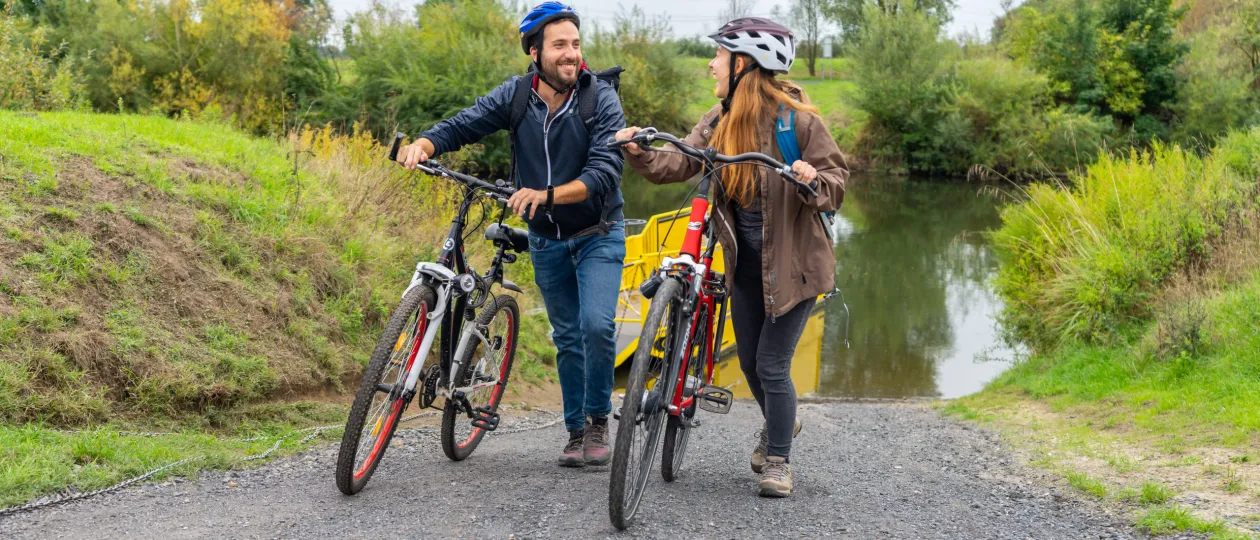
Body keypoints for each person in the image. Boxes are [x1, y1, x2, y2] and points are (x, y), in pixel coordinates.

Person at [614, 17, 846, 497]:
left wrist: (811, 178)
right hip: (744, 268)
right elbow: (678, 162)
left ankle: (778, 460)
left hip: (795, 270)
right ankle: (783, 422)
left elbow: (836, 183)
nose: (712, 63)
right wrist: (638, 151)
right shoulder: (719, 122)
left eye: (719, 56)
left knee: (772, 366)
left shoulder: (798, 122)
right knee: (747, 364)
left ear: (744, 65)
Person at [396, 2, 626, 468]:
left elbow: (605, 171)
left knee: (596, 327)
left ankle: (599, 418)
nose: (571, 54)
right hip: (546, 239)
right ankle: (576, 429)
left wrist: (547, 194)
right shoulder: (517, 96)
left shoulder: (599, 98)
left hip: (597, 231)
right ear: (535, 50)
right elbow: (467, 122)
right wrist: (424, 143)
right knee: (566, 336)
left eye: (576, 44)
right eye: (560, 45)